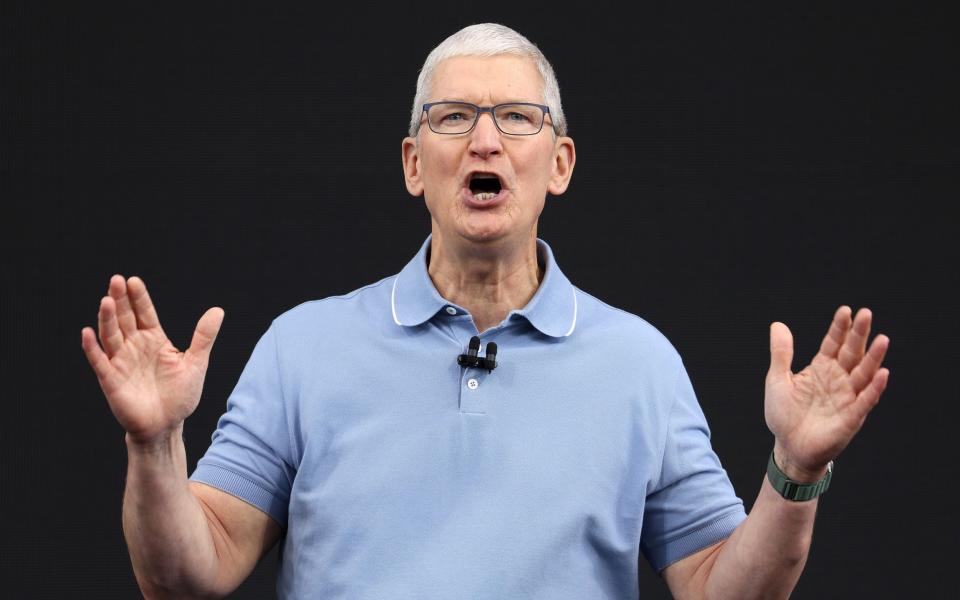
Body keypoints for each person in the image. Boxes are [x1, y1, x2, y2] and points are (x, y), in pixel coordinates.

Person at [81, 23, 890, 599]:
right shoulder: (303, 347)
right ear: (413, 164)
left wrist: (796, 472)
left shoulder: (640, 363)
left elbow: (724, 588)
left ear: (559, 163)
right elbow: (190, 571)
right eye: (454, 117)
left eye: (516, 118)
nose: (485, 141)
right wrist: (154, 445)